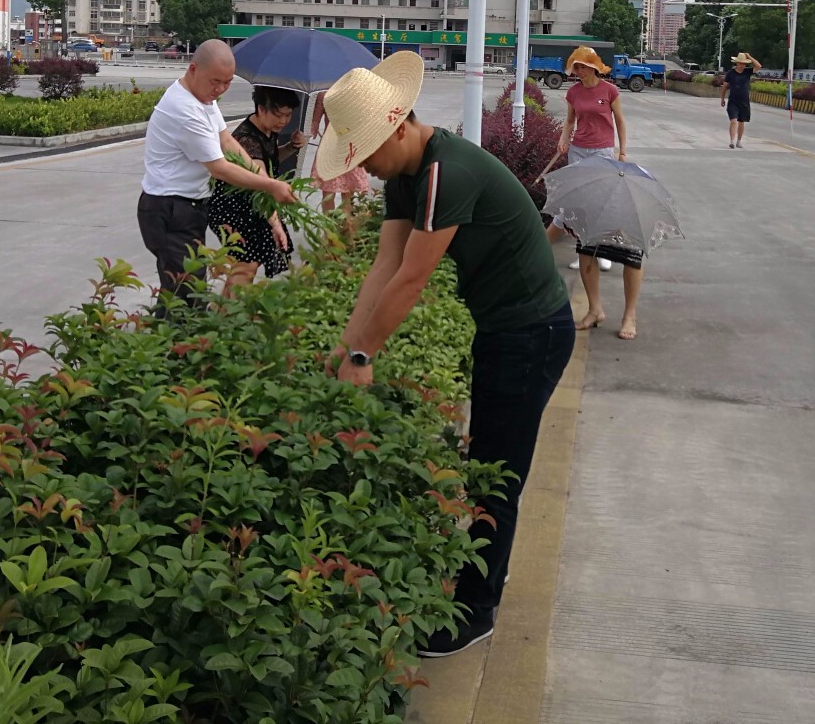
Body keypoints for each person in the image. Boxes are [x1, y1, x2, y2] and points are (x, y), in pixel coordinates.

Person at [315, 51, 574, 659]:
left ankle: (477, 610)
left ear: (401, 123)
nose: (368, 168)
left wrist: (362, 359)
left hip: (531, 331)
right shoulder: (406, 176)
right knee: (487, 462)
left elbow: (411, 280)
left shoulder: (444, 173)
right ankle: (486, 571)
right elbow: (383, 267)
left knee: (494, 473)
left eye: (371, 151)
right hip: (505, 329)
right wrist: (346, 350)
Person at [138, 39, 297, 316]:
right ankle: (176, 351)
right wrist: (270, 184)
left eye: (227, 83)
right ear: (193, 69)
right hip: (169, 208)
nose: (220, 89)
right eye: (215, 81)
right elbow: (220, 167)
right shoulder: (185, 109)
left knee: (182, 291)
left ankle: (174, 348)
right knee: (185, 296)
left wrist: (261, 175)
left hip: (188, 207)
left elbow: (228, 141)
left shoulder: (203, 99)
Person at [207, 85, 307, 289]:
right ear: (261, 108)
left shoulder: (267, 130)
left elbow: (269, 159)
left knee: (246, 263)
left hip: (250, 205)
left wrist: (290, 147)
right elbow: (261, 186)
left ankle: (223, 313)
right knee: (246, 263)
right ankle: (234, 314)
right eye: (279, 114)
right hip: (231, 208)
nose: (284, 121)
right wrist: (274, 223)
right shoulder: (247, 140)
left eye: (288, 115)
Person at [546, 47, 628, 273]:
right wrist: (563, 140)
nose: (578, 71)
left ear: (593, 67)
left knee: (600, 202)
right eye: (576, 68)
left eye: (581, 67)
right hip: (578, 151)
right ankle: (583, 251)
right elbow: (570, 121)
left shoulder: (610, 91)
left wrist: (622, 151)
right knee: (579, 203)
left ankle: (601, 252)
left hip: (602, 151)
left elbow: (620, 122)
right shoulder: (573, 92)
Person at [312, 88, 372, 218]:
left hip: (350, 147)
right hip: (330, 147)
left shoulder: (356, 92)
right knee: (328, 191)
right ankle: (329, 226)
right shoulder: (324, 94)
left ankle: (347, 226)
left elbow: (363, 119)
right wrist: (313, 128)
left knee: (349, 191)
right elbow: (315, 120)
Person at [721, 51, 762, 148]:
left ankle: (739, 141)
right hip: (733, 101)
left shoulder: (747, 72)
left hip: (744, 101)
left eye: (744, 63)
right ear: (736, 63)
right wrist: (722, 98)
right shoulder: (731, 74)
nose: (742, 65)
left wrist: (750, 56)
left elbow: (758, 66)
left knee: (741, 121)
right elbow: (725, 86)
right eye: (740, 63)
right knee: (733, 120)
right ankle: (732, 141)